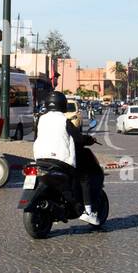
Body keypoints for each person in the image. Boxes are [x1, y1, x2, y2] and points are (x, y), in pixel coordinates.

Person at [32, 91, 103, 225]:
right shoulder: (64, 120)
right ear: (62, 104)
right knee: (84, 177)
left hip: (40, 160)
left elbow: (36, 138)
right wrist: (89, 140)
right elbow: (78, 139)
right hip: (60, 161)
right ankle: (88, 212)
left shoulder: (40, 119)